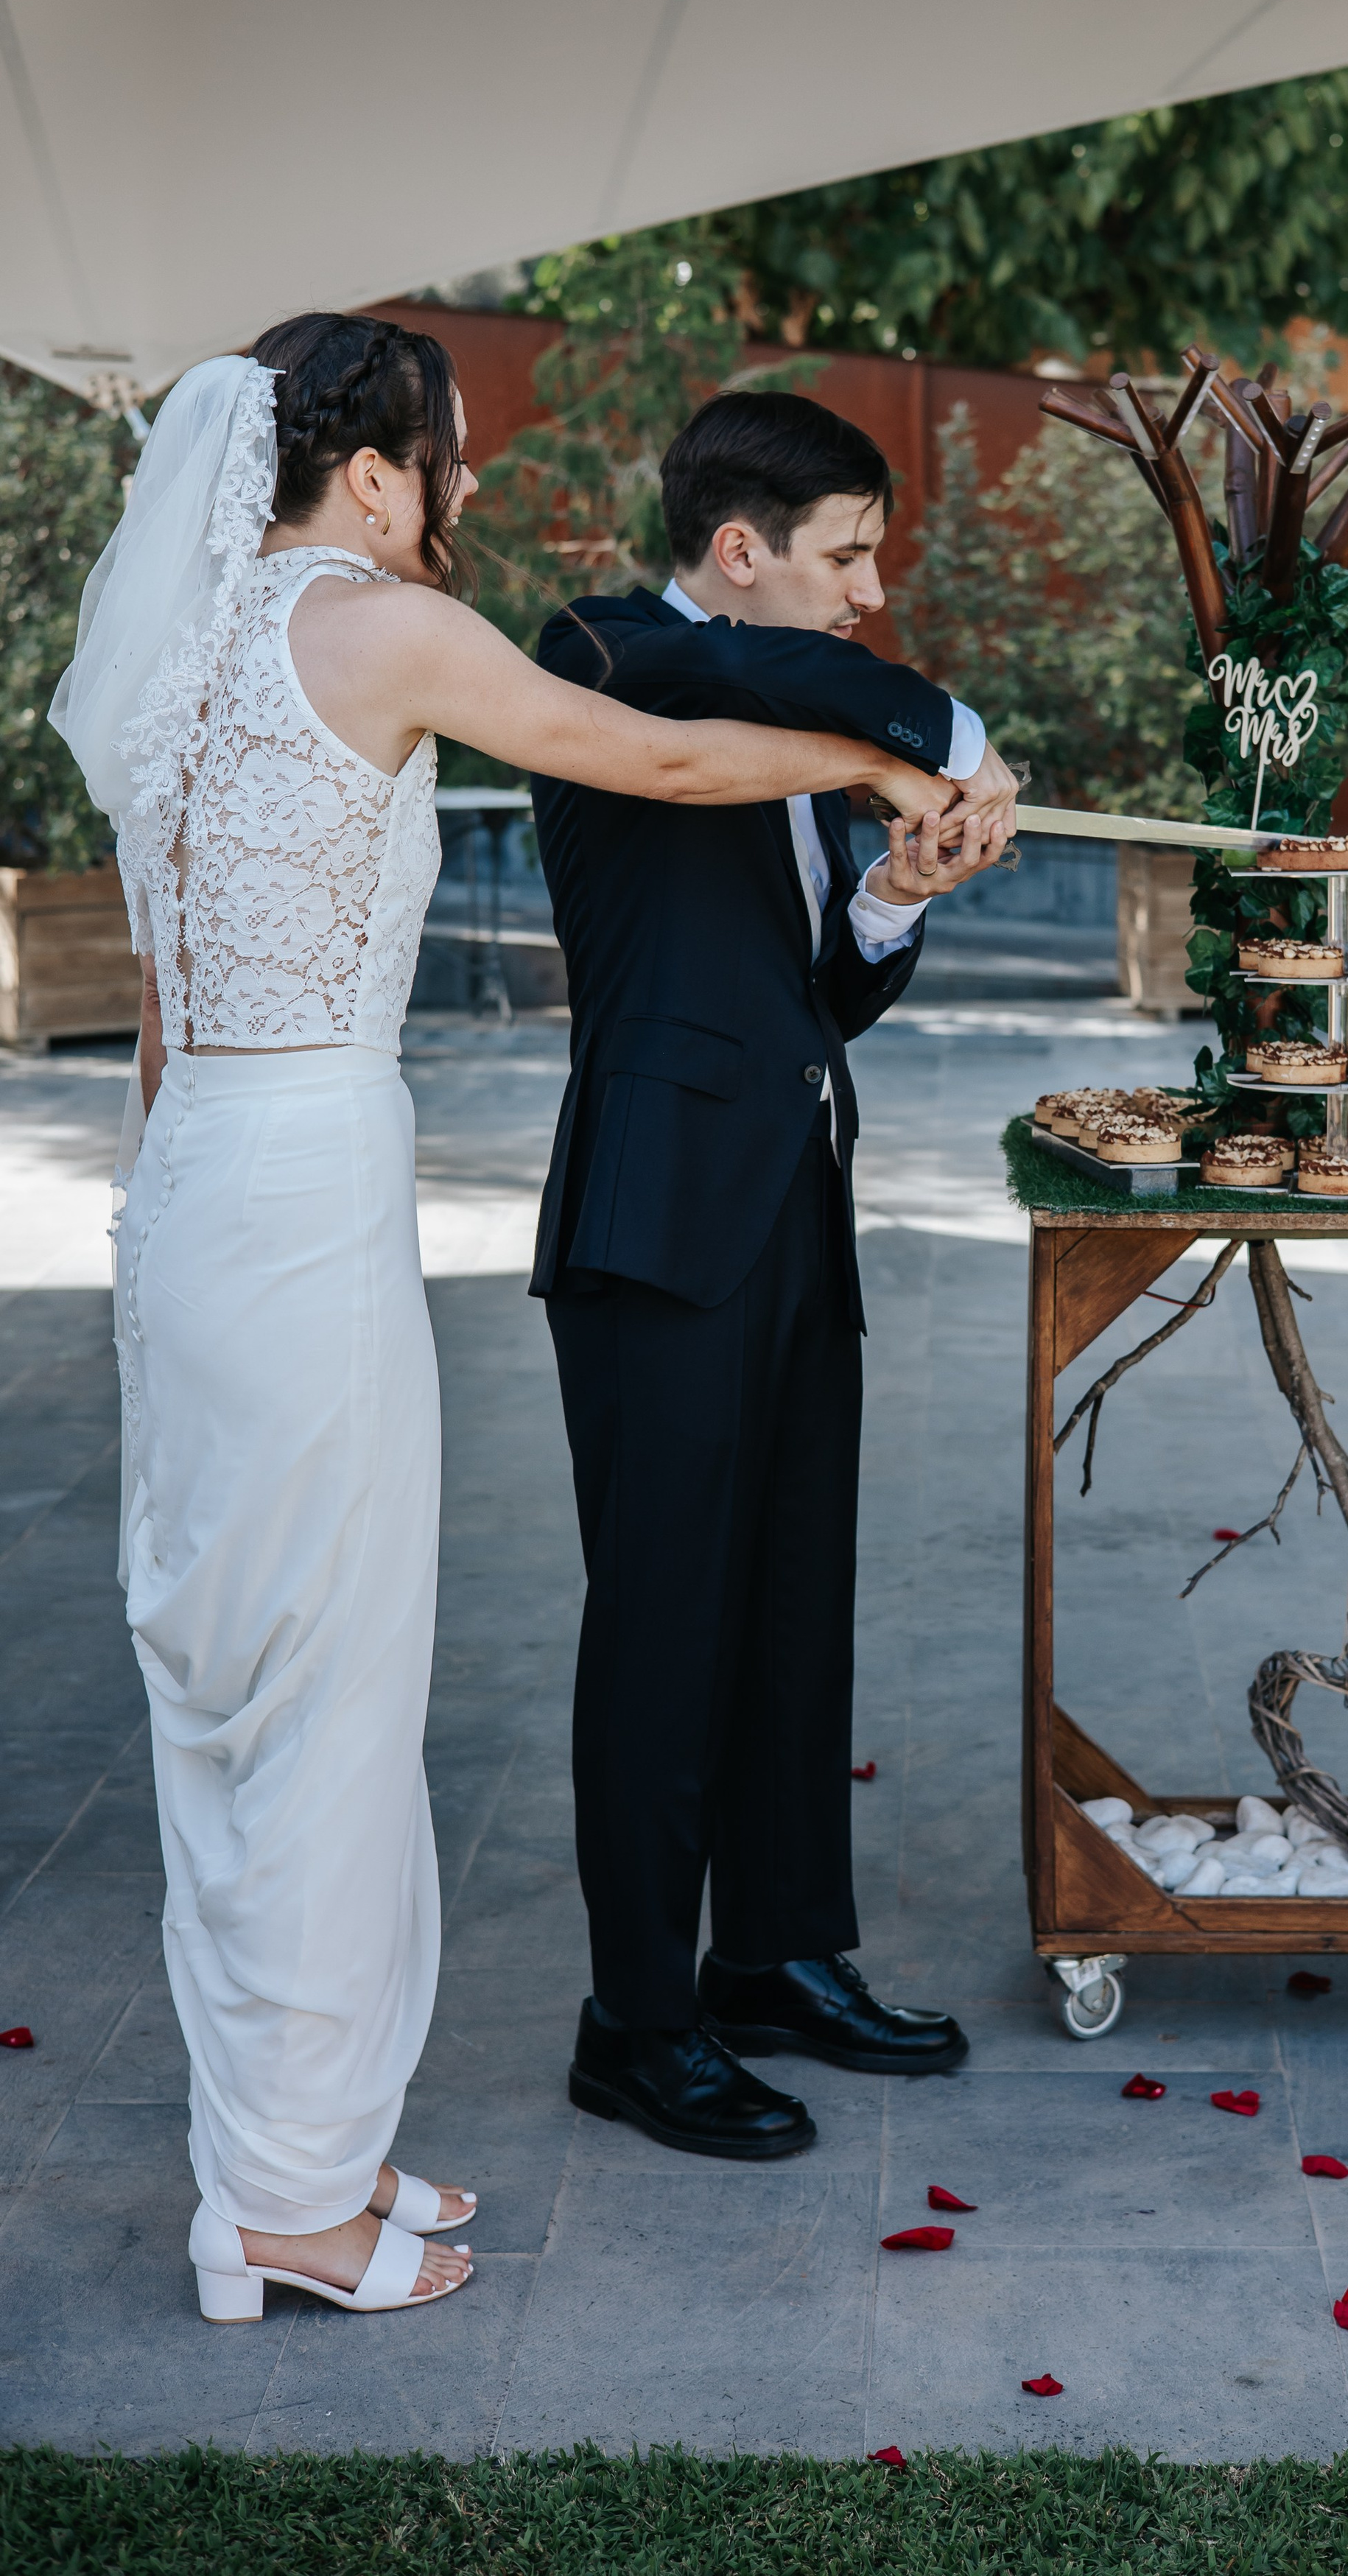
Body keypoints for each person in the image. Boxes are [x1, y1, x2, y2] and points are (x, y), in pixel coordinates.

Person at [52, 318, 955, 2322]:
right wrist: (890, 756)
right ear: (366, 476)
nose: (459, 499)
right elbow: (645, 751)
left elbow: (164, 1014)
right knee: (332, 1693)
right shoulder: (373, 627)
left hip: (192, 1191)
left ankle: (287, 2163)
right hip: (298, 1197)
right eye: (443, 465)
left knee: (229, 1679)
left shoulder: (175, 665)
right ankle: (288, 2211)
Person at [530, 390, 1017, 2162]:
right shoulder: (603, 653)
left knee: (793, 1608)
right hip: (653, 1226)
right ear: (737, 551)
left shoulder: (779, 717)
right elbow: (757, 689)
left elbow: (815, 985)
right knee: (660, 1632)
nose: (870, 593)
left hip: (797, 1206)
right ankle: (634, 2022)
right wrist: (944, 732)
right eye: (845, 557)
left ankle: (777, 1960)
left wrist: (891, 889)